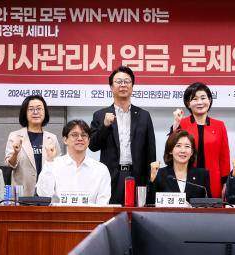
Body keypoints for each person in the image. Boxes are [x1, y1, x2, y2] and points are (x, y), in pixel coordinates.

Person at [89, 66, 156, 204]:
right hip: (112, 175)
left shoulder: (144, 115)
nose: (123, 85)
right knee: (111, 215)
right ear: (111, 87)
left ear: (132, 86)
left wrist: (150, 179)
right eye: (119, 81)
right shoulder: (100, 115)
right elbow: (93, 145)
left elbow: (151, 149)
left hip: (137, 175)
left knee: (137, 215)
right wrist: (105, 126)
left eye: (127, 81)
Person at [170, 82, 229, 198]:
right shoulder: (181, 123)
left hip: (214, 180)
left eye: (203, 98)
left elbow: (224, 158)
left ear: (210, 100)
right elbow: (172, 149)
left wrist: (225, 183)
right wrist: (176, 125)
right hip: (186, 179)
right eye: (195, 99)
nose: (200, 102)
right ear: (188, 103)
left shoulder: (219, 125)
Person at [37, 120, 111, 205]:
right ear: (65, 140)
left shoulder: (101, 169)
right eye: (74, 135)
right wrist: (49, 161)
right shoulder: (53, 164)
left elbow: (103, 205)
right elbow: (43, 195)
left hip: (89, 217)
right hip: (58, 217)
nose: (80, 138)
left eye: (84, 135)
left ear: (89, 140)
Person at [5, 95, 61, 196]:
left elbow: (57, 167)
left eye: (39, 108)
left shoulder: (52, 138)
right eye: (31, 109)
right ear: (25, 113)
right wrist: (15, 153)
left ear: (45, 112)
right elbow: (10, 165)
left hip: (46, 193)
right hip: (21, 193)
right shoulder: (15, 136)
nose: (35, 112)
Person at [148, 130, 212, 203]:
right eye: (178, 146)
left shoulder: (202, 175)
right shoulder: (159, 174)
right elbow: (150, 204)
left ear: (192, 152)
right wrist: (152, 181)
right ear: (170, 150)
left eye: (187, 146)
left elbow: (209, 205)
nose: (183, 150)